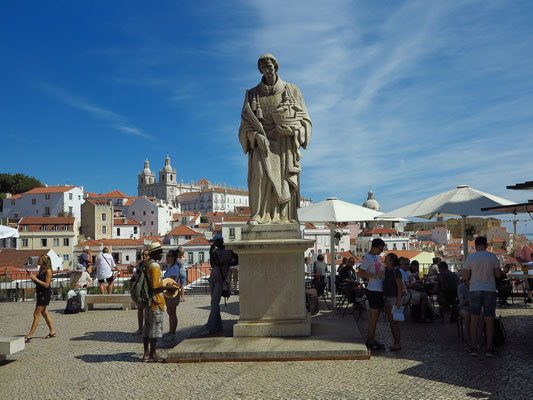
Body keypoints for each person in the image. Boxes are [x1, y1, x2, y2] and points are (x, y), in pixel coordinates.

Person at [238, 53, 312, 225]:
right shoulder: (252, 94)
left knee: (284, 177)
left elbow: (305, 120)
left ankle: (283, 216)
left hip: (285, 144)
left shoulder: (292, 90)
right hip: (261, 144)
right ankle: (259, 214)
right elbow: (244, 125)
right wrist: (255, 136)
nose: (267, 70)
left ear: (275, 67)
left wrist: (294, 131)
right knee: (260, 175)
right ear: (260, 71)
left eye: (269, 67)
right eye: (263, 68)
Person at [462, 236, 503, 357]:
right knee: (489, 319)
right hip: (489, 289)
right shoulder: (492, 256)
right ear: (486, 245)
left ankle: (474, 347)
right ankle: (489, 348)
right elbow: (497, 275)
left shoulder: (471, 257)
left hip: (475, 289)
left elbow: (465, 276)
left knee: (474, 318)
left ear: (475, 245)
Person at [142, 242, 177, 362]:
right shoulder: (155, 266)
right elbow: (156, 287)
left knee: (147, 327)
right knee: (155, 328)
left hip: (147, 300)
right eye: (160, 252)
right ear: (154, 253)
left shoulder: (145, 264)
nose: (162, 254)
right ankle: (153, 354)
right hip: (156, 301)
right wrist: (169, 288)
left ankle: (146, 353)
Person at [201, 234, 238, 336]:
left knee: (214, 303)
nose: (214, 243)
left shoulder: (228, 251)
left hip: (220, 279)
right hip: (214, 278)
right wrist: (211, 252)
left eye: (215, 241)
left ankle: (211, 327)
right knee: (214, 303)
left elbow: (237, 259)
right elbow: (212, 264)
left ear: (220, 241)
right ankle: (218, 325)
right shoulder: (215, 251)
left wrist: (227, 264)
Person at [357, 238, 386, 351]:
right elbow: (360, 273)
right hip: (373, 290)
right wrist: (375, 275)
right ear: (374, 247)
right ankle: (370, 341)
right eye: (380, 249)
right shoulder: (368, 258)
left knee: (376, 317)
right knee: (373, 318)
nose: (381, 251)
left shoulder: (376, 257)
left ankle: (372, 339)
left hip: (378, 289)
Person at [24, 254, 56, 342]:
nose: (38, 261)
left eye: (39, 260)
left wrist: (36, 278)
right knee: (44, 313)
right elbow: (37, 282)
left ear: (44, 261)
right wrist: (31, 277)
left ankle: (29, 336)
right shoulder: (41, 269)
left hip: (44, 294)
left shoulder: (48, 271)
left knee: (36, 314)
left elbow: (46, 284)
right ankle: (52, 331)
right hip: (40, 292)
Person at [383, 253, 405, 351]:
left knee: (394, 322)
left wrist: (399, 300)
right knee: (391, 322)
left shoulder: (396, 271)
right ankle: (395, 342)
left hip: (394, 298)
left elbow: (400, 286)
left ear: (391, 260)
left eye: (386, 257)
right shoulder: (386, 270)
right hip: (388, 297)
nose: (385, 258)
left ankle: (397, 343)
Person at [163, 249, 181, 341]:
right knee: (170, 313)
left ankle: (172, 333)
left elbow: (172, 280)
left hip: (172, 292)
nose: (167, 257)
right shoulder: (171, 267)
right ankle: (170, 332)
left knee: (172, 313)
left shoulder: (174, 268)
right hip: (169, 293)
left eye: (169, 256)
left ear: (173, 257)